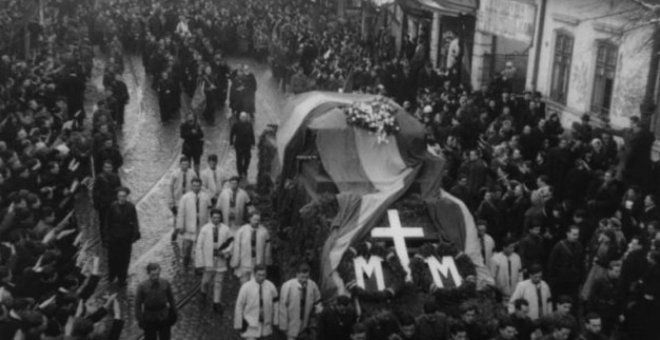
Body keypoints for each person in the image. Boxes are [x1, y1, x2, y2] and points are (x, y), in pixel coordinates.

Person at [196, 208, 233, 313]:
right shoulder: (205, 229)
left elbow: (231, 243)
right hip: (208, 261)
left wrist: (225, 252)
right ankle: (203, 293)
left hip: (220, 260)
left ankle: (216, 302)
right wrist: (200, 262)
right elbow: (199, 246)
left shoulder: (226, 229)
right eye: (214, 217)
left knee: (218, 283)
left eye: (218, 217)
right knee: (206, 281)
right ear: (211, 217)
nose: (216, 219)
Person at [104, 186, 140, 286]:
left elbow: (135, 220)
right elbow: (107, 221)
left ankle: (122, 278)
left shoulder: (131, 207)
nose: (122, 198)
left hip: (126, 237)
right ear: (117, 196)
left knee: (125, 259)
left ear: (126, 196)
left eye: (124, 196)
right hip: (114, 237)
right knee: (113, 258)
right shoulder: (112, 206)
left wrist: (135, 233)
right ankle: (112, 276)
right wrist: (107, 236)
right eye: (120, 196)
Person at [234, 265, 279, 340]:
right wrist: (239, 324)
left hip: (266, 325)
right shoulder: (246, 287)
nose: (261, 277)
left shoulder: (271, 286)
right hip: (250, 324)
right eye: (259, 275)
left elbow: (276, 304)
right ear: (254, 274)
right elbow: (239, 306)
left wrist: (276, 320)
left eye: (264, 275)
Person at [175, 177, 212, 270]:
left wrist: (209, 224)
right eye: (194, 186)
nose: (196, 188)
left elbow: (209, 211)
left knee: (200, 247)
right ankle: (185, 265)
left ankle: (198, 266)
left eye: (198, 186)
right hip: (189, 227)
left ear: (200, 186)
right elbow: (181, 213)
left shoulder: (206, 197)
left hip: (201, 226)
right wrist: (180, 226)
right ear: (191, 186)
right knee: (187, 247)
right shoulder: (185, 197)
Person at [279, 263, 322, 340]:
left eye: (307, 277)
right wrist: (283, 325)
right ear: (297, 274)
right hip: (291, 321)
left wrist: (318, 311)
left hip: (306, 322)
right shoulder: (288, 286)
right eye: (302, 277)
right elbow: (282, 306)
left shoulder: (312, 285)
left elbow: (318, 301)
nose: (304, 280)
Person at [135, 263, 177, 340]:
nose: (156, 277)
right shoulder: (142, 287)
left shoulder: (165, 284)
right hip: (149, 318)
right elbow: (137, 305)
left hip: (163, 316)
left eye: (157, 274)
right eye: (153, 275)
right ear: (148, 274)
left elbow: (171, 300)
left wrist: (174, 313)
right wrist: (140, 320)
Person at [546, 226, 584, 310]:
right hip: (560, 282)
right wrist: (552, 281)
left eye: (577, 235)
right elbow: (551, 264)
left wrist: (581, 279)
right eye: (574, 234)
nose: (576, 237)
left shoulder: (579, 246)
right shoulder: (559, 246)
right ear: (567, 234)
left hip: (574, 281)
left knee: (573, 304)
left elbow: (581, 264)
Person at [231, 212, 272, 283]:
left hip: (258, 261)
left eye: (258, 220)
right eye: (254, 219)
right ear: (250, 219)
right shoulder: (242, 230)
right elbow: (237, 247)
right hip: (244, 261)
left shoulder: (264, 231)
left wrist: (267, 261)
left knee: (256, 283)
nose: (256, 222)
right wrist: (236, 261)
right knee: (244, 282)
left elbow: (267, 248)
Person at [587, 260, 623, 336]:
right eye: (616, 271)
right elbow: (592, 297)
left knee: (608, 332)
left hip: (612, 312)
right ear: (609, 270)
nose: (618, 274)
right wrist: (591, 313)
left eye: (619, 271)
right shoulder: (599, 281)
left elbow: (620, 298)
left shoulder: (619, 282)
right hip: (600, 310)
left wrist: (620, 312)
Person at [93, 160, 122, 243]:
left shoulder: (116, 177)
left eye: (109, 167)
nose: (107, 169)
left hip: (113, 203)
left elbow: (119, 189)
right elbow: (95, 192)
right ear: (103, 168)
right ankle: (104, 239)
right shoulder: (99, 178)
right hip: (103, 204)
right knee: (103, 222)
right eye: (106, 167)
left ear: (112, 168)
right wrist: (97, 204)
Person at [169, 157, 197, 241]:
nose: (185, 166)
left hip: (189, 199)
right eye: (183, 164)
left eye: (186, 164)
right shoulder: (175, 174)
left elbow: (196, 184)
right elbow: (171, 188)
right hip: (178, 199)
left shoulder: (192, 173)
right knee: (177, 217)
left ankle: (187, 232)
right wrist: (172, 202)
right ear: (180, 164)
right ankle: (175, 230)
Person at [490, 237, 523, 302]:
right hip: (501, 292)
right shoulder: (495, 259)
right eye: (510, 247)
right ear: (504, 247)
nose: (512, 249)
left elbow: (520, 273)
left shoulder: (517, 257)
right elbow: (492, 276)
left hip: (515, 290)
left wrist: (520, 287)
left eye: (513, 247)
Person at [230, 112, 255, 179]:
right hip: (239, 145)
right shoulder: (236, 125)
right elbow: (232, 134)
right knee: (239, 159)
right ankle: (240, 172)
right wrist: (231, 143)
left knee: (247, 159)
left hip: (247, 145)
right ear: (240, 117)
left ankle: (245, 170)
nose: (244, 118)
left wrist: (253, 143)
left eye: (245, 117)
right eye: (242, 117)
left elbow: (252, 134)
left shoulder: (249, 125)